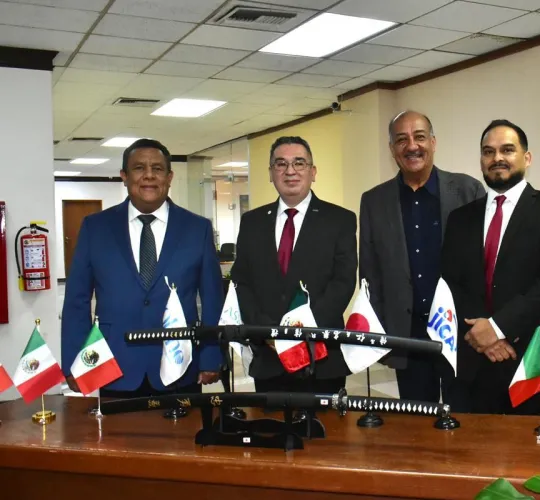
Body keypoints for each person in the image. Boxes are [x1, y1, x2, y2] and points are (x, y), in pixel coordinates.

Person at [62, 138, 223, 409]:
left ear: (169, 177)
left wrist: (210, 355)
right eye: (139, 168)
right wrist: (75, 360)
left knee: (183, 436)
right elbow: (77, 300)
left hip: (179, 363)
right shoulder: (95, 227)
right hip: (114, 364)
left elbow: (213, 299)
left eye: (157, 169)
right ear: (124, 176)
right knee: (117, 436)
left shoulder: (198, 229)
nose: (149, 175)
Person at [442, 119, 540, 415]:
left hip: (535, 357)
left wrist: (497, 327)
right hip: (475, 358)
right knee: (475, 443)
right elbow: (451, 283)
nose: (497, 158)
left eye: (507, 150)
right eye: (488, 152)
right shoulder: (460, 218)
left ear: (527, 158)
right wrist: (483, 335)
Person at [359, 110, 484, 403]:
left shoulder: (468, 190)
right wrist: (380, 332)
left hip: (460, 331)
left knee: (465, 415)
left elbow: (486, 263)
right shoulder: (374, 201)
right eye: (402, 139)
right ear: (392, 149)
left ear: (433, 142)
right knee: (416, 417)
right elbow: (370, 272)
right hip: (407, 333)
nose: (412, 146)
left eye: (419, 137)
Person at [232, 136, 356, 394]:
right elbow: (241, 282)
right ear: (270, 173)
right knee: (269, 419)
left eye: (299, 163)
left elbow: (343, 282)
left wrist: (301, 331)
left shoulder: (340, 220)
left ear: (313, 172)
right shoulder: (252, 222)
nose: (290, 171)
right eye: (281, 164)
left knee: (324, 421)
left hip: (321, 355)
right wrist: (266, 331)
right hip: (268, 356)